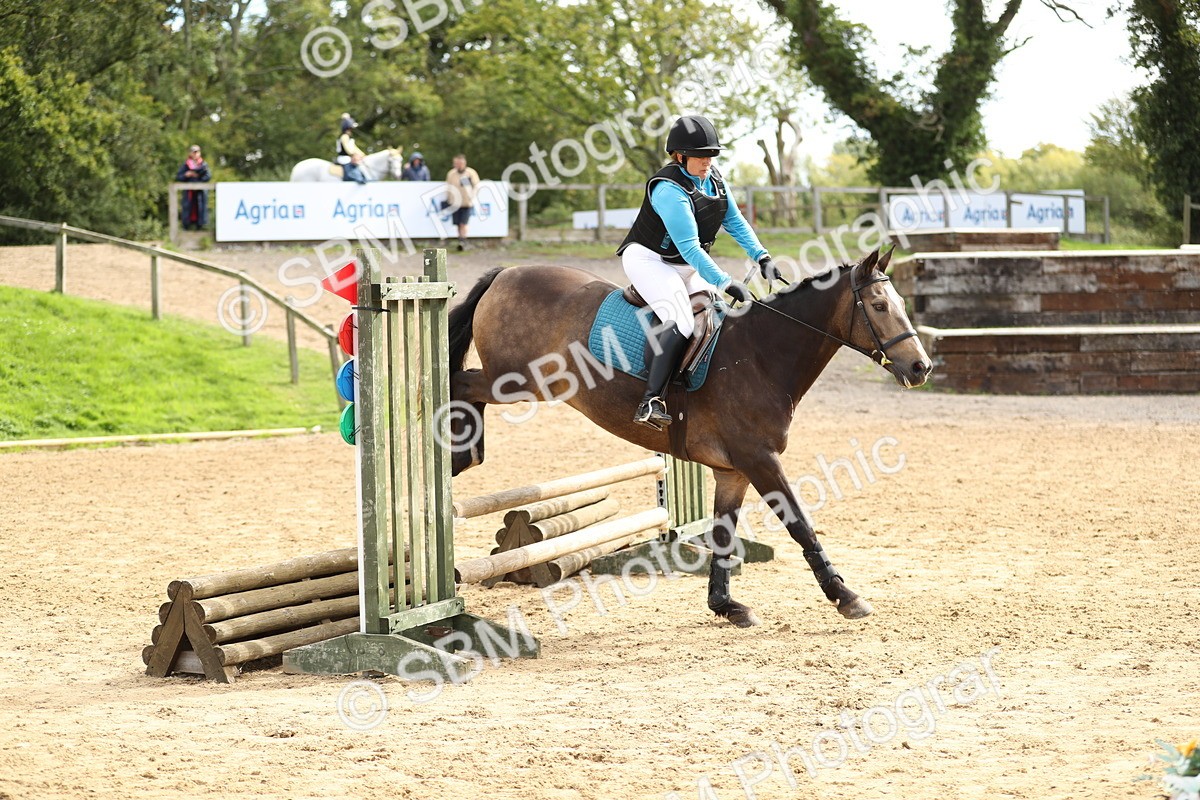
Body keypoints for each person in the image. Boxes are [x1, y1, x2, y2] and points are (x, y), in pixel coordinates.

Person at [616, 114, 782, 429]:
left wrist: (762, 257)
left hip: (684, 263)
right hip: (650, 260)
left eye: (711, 155)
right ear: (680, 156)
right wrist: (726, 281)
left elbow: (735, 221)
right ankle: (650, 400)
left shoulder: (714, 179)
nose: (707, 161)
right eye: (700, 156)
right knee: (679, 318)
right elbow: (692, 248)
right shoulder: (669, 190)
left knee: (716, 313)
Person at [444, 154, 481, 250]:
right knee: (458, 223)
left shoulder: (470, 173)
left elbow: (476, 186)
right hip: (455, 203)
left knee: (463, 223)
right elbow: (448, 187)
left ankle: (463, 240)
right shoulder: (451, 174)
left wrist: (472, 196)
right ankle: (460, 239)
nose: (457, 165)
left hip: (466, 203)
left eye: (459, 163)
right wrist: (449, 199)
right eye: (455, 163)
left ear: (463, 163)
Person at [176, 145, 211, 230]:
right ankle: (186, 228)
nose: (195, 154)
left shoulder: (203, 165)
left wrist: (198, 177)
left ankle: (200, 228)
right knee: (188, 209)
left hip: (200, 193)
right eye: (193, 152)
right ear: (190, 153)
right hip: (189, 193)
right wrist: (186, 175)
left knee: (200, 209)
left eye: (197, 152)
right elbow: (178, 177)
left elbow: (208, 176)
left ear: (199, 153)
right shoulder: (186, 165)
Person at [336, 113, 368, 184]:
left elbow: (355, 147)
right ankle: (351, 178)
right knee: (350, 167)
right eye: (350, 129)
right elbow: (348, 150)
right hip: (344, 158)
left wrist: (362, 154)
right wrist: (355, 154)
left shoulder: (349, 138)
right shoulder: (344, 136)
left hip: (349, 158)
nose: (351, 131)